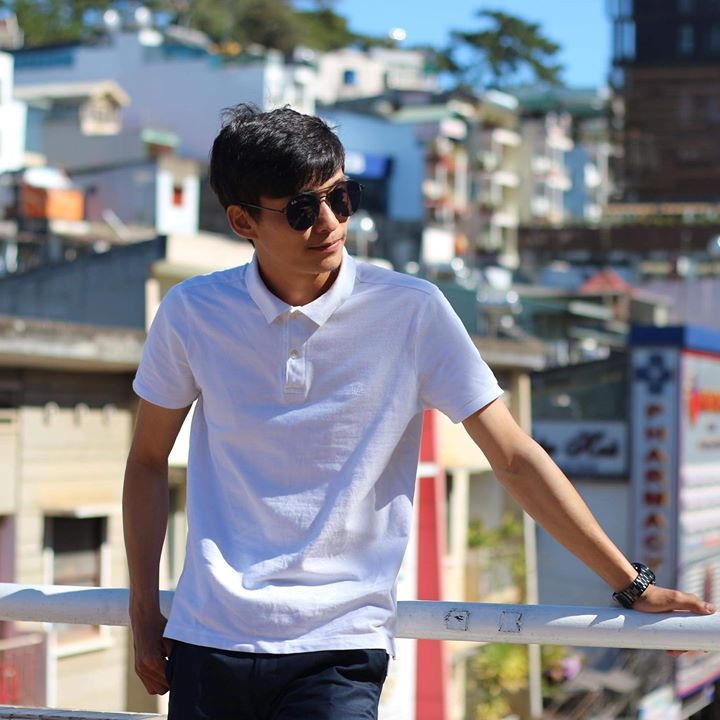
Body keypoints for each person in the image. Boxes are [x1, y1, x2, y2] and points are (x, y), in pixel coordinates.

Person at [123, 104, 714, 720]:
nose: (330, 222)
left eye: (341, 198)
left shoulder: (411, 311)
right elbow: (147, 461)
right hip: (207, 638)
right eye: (301, 209)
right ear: (243, 220)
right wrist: (143, 609)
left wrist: (630, 584)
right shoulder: (192, 312)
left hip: (339, 647)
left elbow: (513, 457)